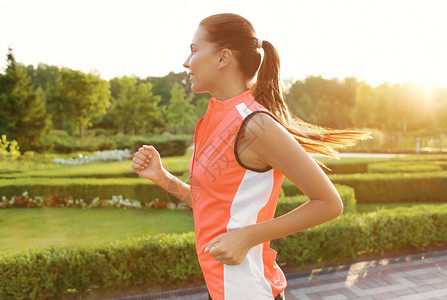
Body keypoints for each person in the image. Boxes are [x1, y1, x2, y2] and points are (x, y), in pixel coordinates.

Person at [131, 13, 372, 300]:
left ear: (222, 58)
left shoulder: (256, 125)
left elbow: (329, 203)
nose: (186, 62)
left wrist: (247, 237)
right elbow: (209, 202)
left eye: (194, 50)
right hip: (220, 289)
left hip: (249, 292)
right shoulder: (213, 119)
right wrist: (163, 178)